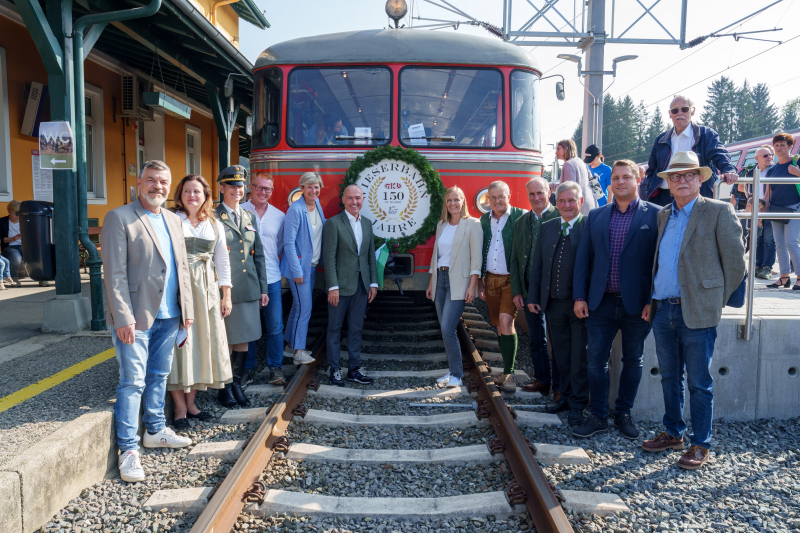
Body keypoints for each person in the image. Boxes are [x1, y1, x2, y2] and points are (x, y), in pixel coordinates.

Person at [642, 151, 745, 470]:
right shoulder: (663, 215)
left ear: (701, 179)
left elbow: (735, 264)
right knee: (669, 376)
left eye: (688, 175)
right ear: (668, 184)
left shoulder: (718, 211)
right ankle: (674, 433)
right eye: (675, 176)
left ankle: (701, 443)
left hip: (698, 311)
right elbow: (660, 263)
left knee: (699, 380)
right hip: (663, 310)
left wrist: (714, 299)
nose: (682, 180)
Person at [101, 160, 194, 483]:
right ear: (139, 183)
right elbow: (113, 274)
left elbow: (182, 268)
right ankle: (127, 450)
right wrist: (122, 318)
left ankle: (155, 430)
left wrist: (187, 312)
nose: (158, 186)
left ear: (170, 187)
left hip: (169, 315)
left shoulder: (173, 219)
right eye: (151, 180)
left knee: (159, 375)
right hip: (135, 318)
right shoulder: (119, 217)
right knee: (132, 381)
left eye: (163, 182)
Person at [572, 160, 659, 439]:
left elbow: (661, 263)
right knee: (595, 361)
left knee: (633, 360)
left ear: (638, 180)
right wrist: (580, 297)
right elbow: (583, 261)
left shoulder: (657, 215)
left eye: (626, 177)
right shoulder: (596, 216)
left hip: (638, 305)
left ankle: (623, 413)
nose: (620, 182)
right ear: (611, 183)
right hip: (600, 302)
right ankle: (598, 415)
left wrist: (652, 300)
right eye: (616, 178)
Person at [166, 175, 232, 430]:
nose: (192, 195)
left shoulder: (215, 225)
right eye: (186, 191)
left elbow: (223, 262)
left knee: (202, 342)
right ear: (180, 195)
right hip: (177, 287)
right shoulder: (171, 220)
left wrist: (226, 295)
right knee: (178, 345)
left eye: (197, 191)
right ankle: (179, 408)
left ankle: (192, 404)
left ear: (206, 195)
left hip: (206, 290)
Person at [528, 182, 588, 425]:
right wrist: (534, 297)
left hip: (580, 306)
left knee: (579, 357)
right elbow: (538, 266)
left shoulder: (589, 227)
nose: (566, 205)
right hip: (553, 304)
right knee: (560, 355)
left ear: (580, 202)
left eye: (571, 201)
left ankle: (578, 404)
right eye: (562, 201)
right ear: (556, 202)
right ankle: (563, 397)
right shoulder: (548, 228)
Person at [214, 165, 269, 409]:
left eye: (240, 186)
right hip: (225, 289)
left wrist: (263, 288)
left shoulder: (249, 216)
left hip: (248, 287)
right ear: (221, 188)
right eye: (232, 185)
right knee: (226, 340)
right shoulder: (213, 217)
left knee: (244, 338)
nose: (237, 190)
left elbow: (258, 256)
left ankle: (236, 383)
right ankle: (224, 387)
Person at [426, 186, 482, 388]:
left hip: (459, 281)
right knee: (444, 328)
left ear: (463, 201)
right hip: (440, 279)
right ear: (446, 204)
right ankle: (451, 371)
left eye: (456, 200)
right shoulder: (442, 224)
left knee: (448, 327)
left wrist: (472, 285)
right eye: (449, 200)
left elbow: (476, 257)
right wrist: (431, 282)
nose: (453, 204)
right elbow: (436, 256)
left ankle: (457, 375)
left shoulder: (472, 224)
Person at [323, 185, 378, 386]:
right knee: (335, 329)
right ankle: (335, 370)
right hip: (340, 287)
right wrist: (332, 287)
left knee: (356, 328)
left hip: (362, 286)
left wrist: (373, 282)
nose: (354, 202)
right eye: (350, 198)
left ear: (362, 199)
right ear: (343, 200)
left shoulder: (367, 224)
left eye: (358, 198)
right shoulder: (333, 223)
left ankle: (354, 369)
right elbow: (328, 259)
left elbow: (370, 255)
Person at [640, 95, 738, 207]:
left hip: (696, 198)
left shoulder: (705, 134)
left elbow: (719, 153)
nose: (679, 113)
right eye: (675, 110)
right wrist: (649, 192)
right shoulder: (660, 140)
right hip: (663, 199)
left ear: (693, 111)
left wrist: (728, 169)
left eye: (684, 109)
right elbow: (651, 170)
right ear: (670, 114)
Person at [509, 177, 560, 395]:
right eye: (532, 194)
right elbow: (514, 259)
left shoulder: (560, 216)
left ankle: (560, 386)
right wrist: (517, 290)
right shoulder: (521, 222)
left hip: (557, 290)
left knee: (557, 339)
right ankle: (542, 380)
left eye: (540, 192)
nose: (536, 197)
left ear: (549, 192)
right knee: (536, 338)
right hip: (530, 287)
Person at [477, 181, 526, 393]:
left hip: (510, 280)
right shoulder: (484, 220)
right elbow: (480, 249)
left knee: (507, 321)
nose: (497, 201)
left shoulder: (521, 216)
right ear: (488, 200)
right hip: (490, 279)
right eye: (493, 198)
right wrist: (479, 280)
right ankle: (506, 371)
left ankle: (510, 373)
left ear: (509, 196)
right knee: (498, 325)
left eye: (501, 196)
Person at [241, 172, 287, 385]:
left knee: (275, 325)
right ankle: (247, 367)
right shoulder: (239, 211)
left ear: (272, 191)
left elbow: (278, 246)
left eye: (267, 189)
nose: (262, 192)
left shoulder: (279, 216)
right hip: (247, 278)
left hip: (271, 277)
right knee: (249, 325)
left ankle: (275, 368)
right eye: (259, 187)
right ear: (251, 187)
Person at [281, 172, 325, 366]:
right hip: (299, 268)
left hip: (312, 266)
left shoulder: (317, 206)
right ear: (302, 188)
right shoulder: (296, 209)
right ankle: (299, 352)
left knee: (298, 307)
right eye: (309, 187)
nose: (313, 190)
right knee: (304, 307)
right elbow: (288, 243)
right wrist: (297, 271)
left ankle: (289, 346)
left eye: (316, 187)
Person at [764, 132, 800, 290]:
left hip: (794, 208)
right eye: (776, 145)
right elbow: (767, 194)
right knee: (779, 244)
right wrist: (762, 211)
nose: (778, 148)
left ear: (790, 147)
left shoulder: (797, 162)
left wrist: (797, 173)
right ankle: (784, 277)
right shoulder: (773, 169)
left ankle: (799, 277)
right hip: (776, 209)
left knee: (791, 242)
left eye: (782, 145)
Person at [739, 147, 775, 279]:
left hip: (770, 210)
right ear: (757, 159)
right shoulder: (750, 173)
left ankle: (768, 268)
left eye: (771, 155)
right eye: (765, 155)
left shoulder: (774, 171)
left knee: (770, 239)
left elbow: (772, 193)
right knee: (758, 239)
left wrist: (762, 211)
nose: (769, 157)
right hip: (755, 209)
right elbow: (745, 189)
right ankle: (757, 266)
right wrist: (753, 208)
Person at [555, 139, 598, 215]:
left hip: (578, 210)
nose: (556, 152)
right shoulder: (582, 163)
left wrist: (549, 186)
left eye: (558, 148)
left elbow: (567, 189)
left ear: (566, 148)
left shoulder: (568, 164)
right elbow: (597, 188)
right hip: (590, 207)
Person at [1, 200, 23, 287]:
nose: (18, 216)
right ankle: (13, 277)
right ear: (9, 212)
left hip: (25, 246)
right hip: (10, 247)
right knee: (16, 258)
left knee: (37, 255)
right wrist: (13, 239)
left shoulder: (25, 221)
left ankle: (41, 278)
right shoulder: (2, 222)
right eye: (15, 213)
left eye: (19, 213)